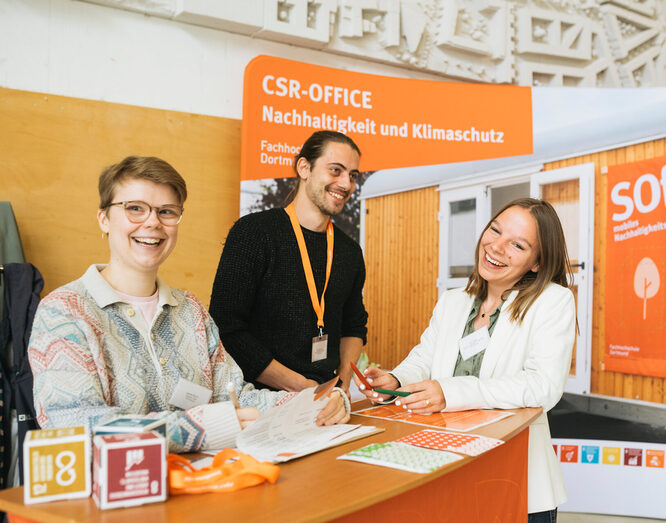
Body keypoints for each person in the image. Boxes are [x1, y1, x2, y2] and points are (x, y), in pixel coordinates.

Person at [28, 156, 350, 453]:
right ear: (103, 219)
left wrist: (315, 403)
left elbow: (239, 398)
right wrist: (202, 427)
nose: (153, 222)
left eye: (167, 211)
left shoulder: (191, 311)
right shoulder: (63, 312)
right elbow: (76, 427)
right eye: (135, 209)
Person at [356, 198, 576, 522]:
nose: (496, 247)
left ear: (537, 263)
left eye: (517, 244)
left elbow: (543, 386)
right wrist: (397, 381)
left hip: (513, 477)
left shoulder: (553, 302)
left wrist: (450, 392)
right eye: (495, 230)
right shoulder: (452, 301)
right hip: (445, 467)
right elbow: (424, 357)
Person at [210, 130, 367, 393]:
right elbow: (226, 327)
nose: (346, 184)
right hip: (258, 399)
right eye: (336, 170)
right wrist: (302, 387)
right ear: (304, 168)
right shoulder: (253, 233)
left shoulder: (349, 251)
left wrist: (340, 385)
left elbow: (354, 326)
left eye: (352, 176)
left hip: (325, 396)